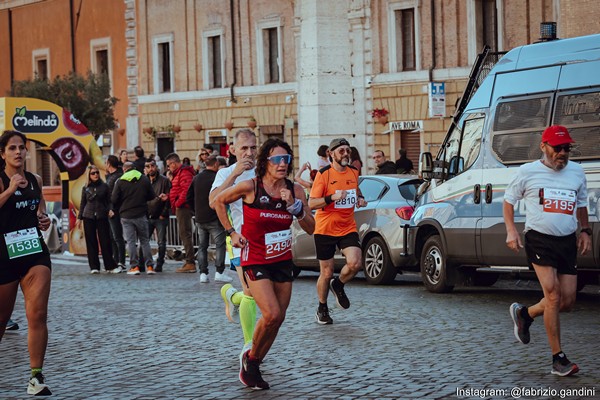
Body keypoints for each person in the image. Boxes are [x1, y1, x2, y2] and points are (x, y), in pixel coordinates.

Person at [213, 138, 315, 390]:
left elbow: (311, 228)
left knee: (278, 320)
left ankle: (253, 362)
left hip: (281, 260)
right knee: (272, 313)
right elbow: (217, 201)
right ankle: (250, 361)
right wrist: (231, 233)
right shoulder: (251, 187)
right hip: (255, 257)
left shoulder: (295, 190)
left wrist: (295, 207)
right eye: (276, 160)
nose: (282, 164)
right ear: (265, 163)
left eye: (286, 159)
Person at [504, 125, 591, 377]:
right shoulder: (527, 172)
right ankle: (558, 359)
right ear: (543, 147)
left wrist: (585, 230)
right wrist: (511, 231)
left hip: (566, 240)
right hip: (539, 238)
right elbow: (509, 201)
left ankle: (525, 313)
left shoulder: (576, 172)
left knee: (567, 301)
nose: (562, 153)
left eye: (567, 148)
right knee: (552, 296)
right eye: (557, 148)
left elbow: (582, 203)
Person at [0, 130, 53, 396]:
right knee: (2, 318)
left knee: (38, 314)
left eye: (22, 147)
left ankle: (36, 377)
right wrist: (9, 189)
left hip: (33, 251)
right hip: (3, 256)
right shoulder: (0, 180)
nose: (18, 152)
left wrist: (44, 219)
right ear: (3, 154)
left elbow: (39, 209)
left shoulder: (35, 179)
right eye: (12, 148)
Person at [209, 129, 258, 358]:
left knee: (259, 294)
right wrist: (235, 174)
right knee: (251, 291)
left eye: (253, 148)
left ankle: (230, 295)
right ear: (233, 150)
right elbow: (213, 201)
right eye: (244, 148)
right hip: (239, 239)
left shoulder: (264, 172)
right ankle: (249, 345)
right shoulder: (225, 173)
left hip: (264, 241)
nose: (249, 153)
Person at [309, 138, 367, 324]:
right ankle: (322, 307)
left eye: (347, 150)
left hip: (347, 226)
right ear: (331, 154)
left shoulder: (354, 171)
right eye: (341, 151)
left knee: (356, 263)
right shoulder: (323, 174)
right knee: (326, 272)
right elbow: (312, 203)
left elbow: (356, 191)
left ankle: (339, 284)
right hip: (325, 228)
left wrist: (360, 198)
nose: (345, 154)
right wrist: (332, 197)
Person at [186, 155, 232, 283]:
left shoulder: (196, 178)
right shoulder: (217, 179)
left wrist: (195, 211)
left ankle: (203, 274)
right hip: (214, 217)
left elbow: (188, 197)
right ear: (216, 164)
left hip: (200, 218)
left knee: (202, 246)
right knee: (220, 245)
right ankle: (219, 272)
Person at [111, 162, 157, 275]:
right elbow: (152, 195)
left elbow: (114, 199)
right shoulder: (144, 179)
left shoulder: (120, 181)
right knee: (145, 241)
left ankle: (134, 267)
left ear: (124, 169)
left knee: (131, 242)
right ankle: (150, 267)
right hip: (141, 213)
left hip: (126, 215)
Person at [78, 166, 120, 274]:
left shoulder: (104, 186)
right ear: (89, 175)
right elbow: (83, 203)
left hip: (102, 215)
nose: (96, 174)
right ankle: (94, 267)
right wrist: (79, 218)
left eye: (97, 172)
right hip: (88, 216)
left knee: (105, 241)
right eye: (93, 173)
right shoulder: (85, 188)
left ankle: (109, 266)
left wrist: (110, 209)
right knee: (91, 242)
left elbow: (109, 201)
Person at [166, 153, 197, 273]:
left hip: (183, 207)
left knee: (185, 234)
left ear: (174, 163)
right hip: (181, 206)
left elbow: (186, 190)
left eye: (169, 165)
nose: (168, 168)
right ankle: (189, 261)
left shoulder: (184, 173)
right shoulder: (180, 173)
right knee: (184, 234)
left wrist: (178, 203)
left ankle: (190, 262)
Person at [145, 159, 171, 272]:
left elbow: (168, 198)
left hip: (160, 216)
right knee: (144, 241)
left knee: (161, 242)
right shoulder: (144, 181)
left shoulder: (164, 180)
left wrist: (163, 213)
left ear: (156, 167)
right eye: (148, 166)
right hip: (147, 216)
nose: (151, 168)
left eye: (152, 166)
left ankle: (160, 263)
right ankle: (143, 263)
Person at [105, 155, 126, 270]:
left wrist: (112, 208)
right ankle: (115, 260)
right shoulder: (111, 176)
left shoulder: (117, 177)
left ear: (108, 164)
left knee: (117, 237)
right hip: (109, 209)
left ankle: (121, 261)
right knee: (112, 237)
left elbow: (114, 195)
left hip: (115, 210)